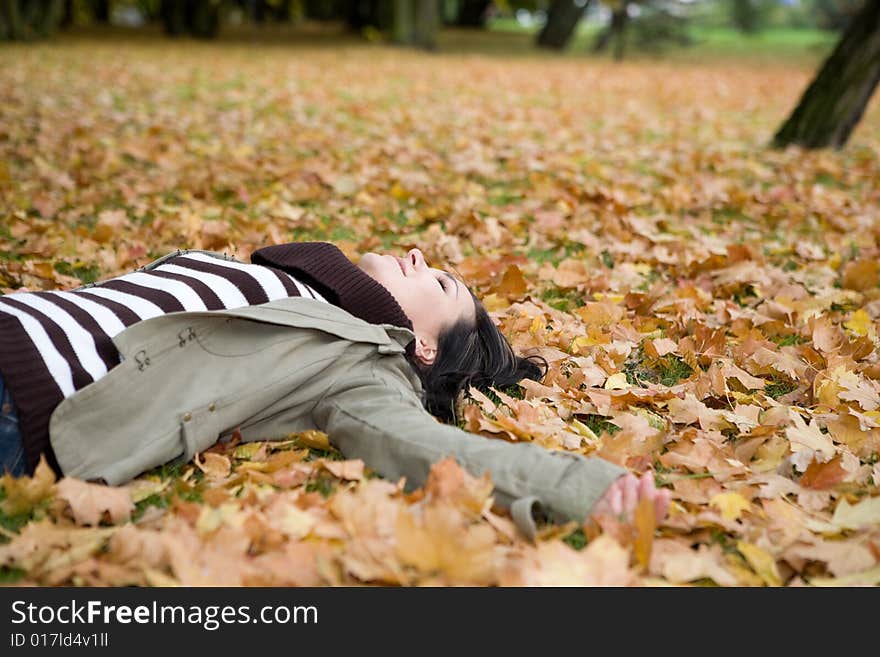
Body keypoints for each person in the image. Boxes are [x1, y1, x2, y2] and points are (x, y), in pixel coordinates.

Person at [0, 241, 668, 538]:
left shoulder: (363, 365)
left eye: (436, 282)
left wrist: (577, 485)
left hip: (16, 396)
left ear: (424, 346)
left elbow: (420, 443)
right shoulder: (308, 289)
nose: (416, 254)